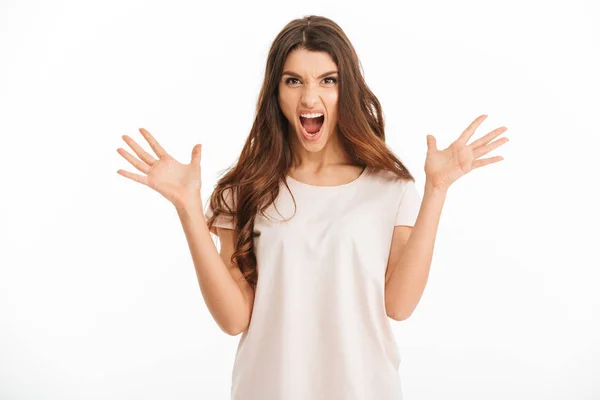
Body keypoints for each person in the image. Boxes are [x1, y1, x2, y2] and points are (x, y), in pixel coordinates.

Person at [116, 14, 508, 400]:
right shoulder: (245, 189)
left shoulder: (390, 187)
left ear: (347, 89)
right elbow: (234, 318)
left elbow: (400, 305)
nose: (309, 97)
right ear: (276, 92)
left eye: (327, 80)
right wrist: (187, 208)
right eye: (293, 81)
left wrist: (437, 189)